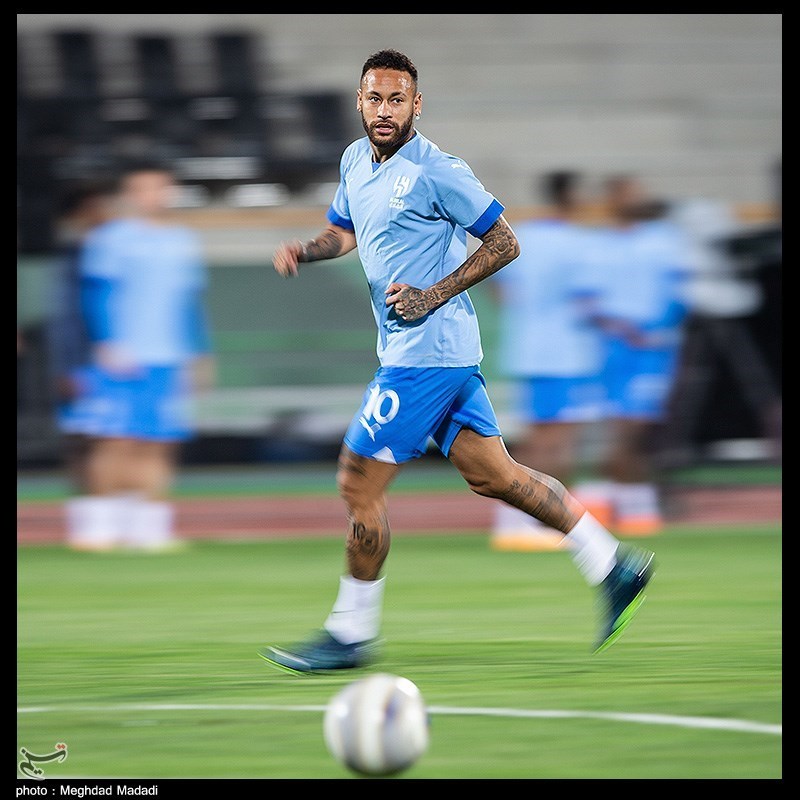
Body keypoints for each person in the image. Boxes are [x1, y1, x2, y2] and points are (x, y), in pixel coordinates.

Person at [259, 49, 654, 671]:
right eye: (374, 98)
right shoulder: (355, 160)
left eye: (396, 100)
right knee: (498, 477)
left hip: (426, 354)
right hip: (430, 353)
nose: (384, 110)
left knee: (356, 480)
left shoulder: (437, 170)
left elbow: (505, 241)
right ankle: (612, 564)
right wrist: (306, 250)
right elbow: (345, 231)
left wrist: (432, 295)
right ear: (359, 102)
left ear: (416, 105)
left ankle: (350, 633)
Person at [61, 160, 215, 551]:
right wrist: (107, 341)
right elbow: (95, 294)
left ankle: (148, 528)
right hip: (121, 356)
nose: (153, 196)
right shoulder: (110, 239)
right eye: (143, 189)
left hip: (169, 356)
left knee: (159, 442)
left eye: (160, 188)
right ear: (128, 195)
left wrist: (199, 354)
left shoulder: (182, 241)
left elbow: (189, 304)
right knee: (114, 440)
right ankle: (99, 526)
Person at [488, 170, 609, 551]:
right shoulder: (579, 242)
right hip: (565, 353)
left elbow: (499, 288)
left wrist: (530, 316)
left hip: (529, 349)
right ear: (571, 196)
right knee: (557, 442)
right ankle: (535, 520)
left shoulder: (526, 235)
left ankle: (526, 519)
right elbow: (589, 301)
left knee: (540, 437)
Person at [587, 175, 693, 535]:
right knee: (624, 427)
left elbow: (679, 292)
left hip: (655, 348)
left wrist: (660, 327)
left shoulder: (663, 239)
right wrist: (619, 327)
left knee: (641, 428)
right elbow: (590, 300)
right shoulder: (599, 246)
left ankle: (625, 497)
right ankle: (629, 502)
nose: (634, 200)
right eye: (627, 194)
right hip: (615, 347)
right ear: (612, 200)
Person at [43, 180, 115, 543]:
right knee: (83, 441)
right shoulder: (73, 260)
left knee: (113, 440)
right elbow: (65, 319)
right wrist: (67, 368)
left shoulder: (112, 255)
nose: (100, 217)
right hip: (82, 364)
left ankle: (109, 518)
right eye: (92, 210)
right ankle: (88, 522)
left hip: (114, 364)